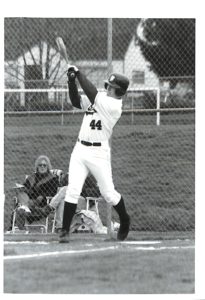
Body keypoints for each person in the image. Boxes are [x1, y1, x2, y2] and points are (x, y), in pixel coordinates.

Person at [59, 66, 130, 243]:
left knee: (109, 194)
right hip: (80, 149)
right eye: (107, 86)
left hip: (99, 153)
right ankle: (64, 231)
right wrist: (71, 81)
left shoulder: (114, 106)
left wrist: (79, 74)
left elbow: (92, 94)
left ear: (119, 91)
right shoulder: (100, 99)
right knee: (73, 190)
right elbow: (76, 101)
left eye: (111, 87)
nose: (107, 89)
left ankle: (125, 219)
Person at [12, 155, 60, 230]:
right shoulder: (31, 177)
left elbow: (53, 192)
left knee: (22, 207)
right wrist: (23, 189)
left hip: (42, 203)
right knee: (20, 193)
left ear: (48, 167)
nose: (42, 167)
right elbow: (25, 188)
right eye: (40, 165)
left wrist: (42, 196)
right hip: (29, 200)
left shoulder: (53, 179)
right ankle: (26, 208)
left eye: (44, 165)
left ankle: (25, 209)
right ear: (37, 167)